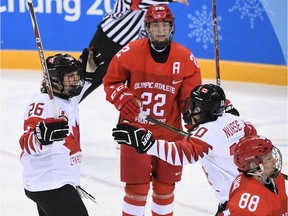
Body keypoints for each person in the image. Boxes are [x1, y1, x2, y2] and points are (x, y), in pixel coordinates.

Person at [103, 4, 202, 216]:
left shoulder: (185, 58)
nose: (160, 29)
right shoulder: (130, 52)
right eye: (155, 24)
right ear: (147, 27)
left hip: (169, 135)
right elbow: (111, 82)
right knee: (135, 190)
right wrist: (122, 97)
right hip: (135, 133)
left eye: (164, 24)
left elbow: (190, 101)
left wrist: (198, 126)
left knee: (165, 190)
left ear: (171, 27)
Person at [112, 83, 258, 215]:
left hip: (237, 206)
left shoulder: (207, 132)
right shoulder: (237, 120)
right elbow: (252, 135)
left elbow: (183, 154)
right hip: (254, 194)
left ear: (206, 110)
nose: (190, 110)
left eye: (196, 106)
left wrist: (149, 145)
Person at [19, 49, 104, 216]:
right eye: (70, 76)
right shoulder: (42, 104)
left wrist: (89, 72)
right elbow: (25, 142)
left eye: (76, 75)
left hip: (53, 182)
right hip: (50, 184)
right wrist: (40, 137)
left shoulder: (67, 97)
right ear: (56, 80)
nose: (76, 80)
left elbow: (79, 91)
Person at [81, 0, 189, 101]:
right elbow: (137, 2)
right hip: (105, 45)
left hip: (128, 51)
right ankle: (66, 110)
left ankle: (128, 120)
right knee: (83, 82)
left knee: (130, 93)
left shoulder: (156, 4)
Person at [227, 135, 287, 215]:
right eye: (269, 158)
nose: (275, 160)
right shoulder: (247, 201)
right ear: (253, 165)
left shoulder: (275, 178)